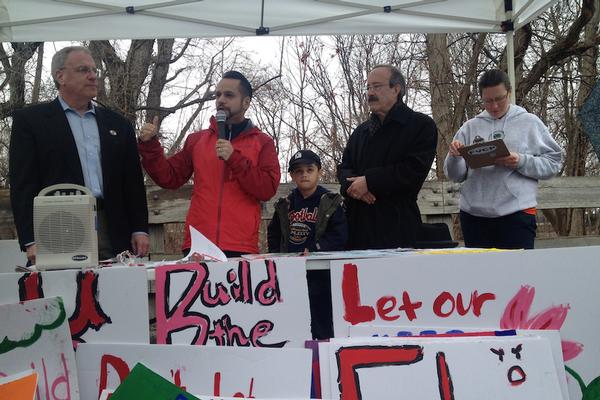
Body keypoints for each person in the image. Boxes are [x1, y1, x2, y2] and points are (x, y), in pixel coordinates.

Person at [9, 46, 149, 264]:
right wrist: (31, 239)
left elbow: (132, 181)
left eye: (94, 70)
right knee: (65, 294)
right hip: (57, 226)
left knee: (119, 295)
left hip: (114, 228)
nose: (93, 76)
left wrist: (140, 228)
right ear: (60, 76)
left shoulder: (118, 124)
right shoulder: (30, 122)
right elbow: (22, 185)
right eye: (84, 70)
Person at [138, 71, 280, 257]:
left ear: (246, 102)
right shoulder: (197, 140)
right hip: (198, 245)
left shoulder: (262, 142)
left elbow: (267, 189)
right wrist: (150, 145)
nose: (221, 100)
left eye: (229, 95)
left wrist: (234, 158)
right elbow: (169, 177)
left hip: (241, 246)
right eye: (217, 95)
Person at [444, 69, 562, 249]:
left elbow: (554, 162)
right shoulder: (470, 127)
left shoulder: (529, 123)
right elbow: (455, 175)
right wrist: (455, 158)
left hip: (517, 214)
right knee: (481, 276)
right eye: (488, 101)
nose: (494, 106)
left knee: (518, 276)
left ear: (510, 92)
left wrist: (520, 161)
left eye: (499, 99)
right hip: (474, 217)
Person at [337, 64, 438, 250]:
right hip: (358, 229)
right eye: (368, 87)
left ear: (396, 89)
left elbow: (413, 170)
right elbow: (344, 167)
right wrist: (353, 187)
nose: (370, 93)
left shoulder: (421, 126)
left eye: (377, 86)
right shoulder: (361, 132)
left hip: (397, 228)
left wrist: (370, 181)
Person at [267, 149, 347, 339]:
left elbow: (340, 235)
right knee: (295, 318)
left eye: (309, 170)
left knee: (322, 318)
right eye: (298, 171)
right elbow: (274, 232)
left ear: (319, 171)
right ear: (292, 175)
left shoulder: (330, 202)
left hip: (322, 273)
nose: (304, 174)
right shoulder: (285, 204)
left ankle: (322, 354)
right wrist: (278, 256)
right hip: (292, 272)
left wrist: (316, 250)